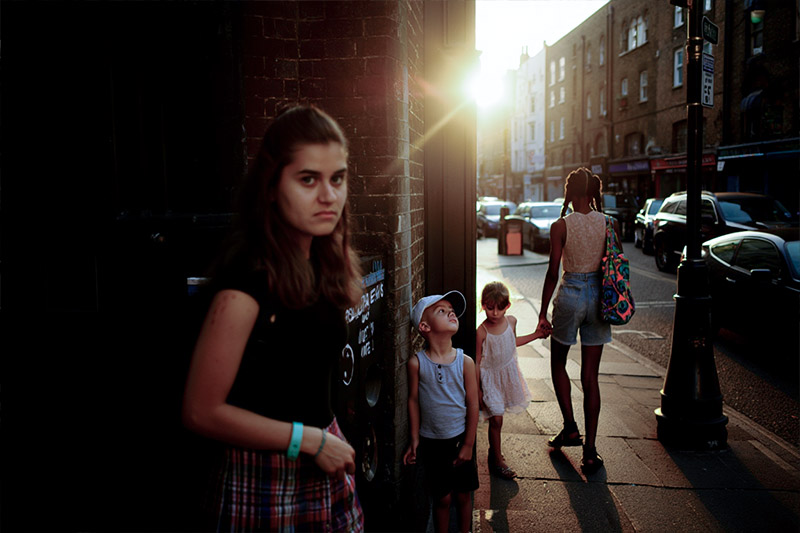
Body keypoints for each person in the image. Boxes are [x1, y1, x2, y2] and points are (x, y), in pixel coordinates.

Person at [182, 105, 365, 531]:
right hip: (262, 478)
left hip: (322, 462)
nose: (329, 195)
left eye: (337, 178)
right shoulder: (247, 281)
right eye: (308, 179)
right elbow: (200, 410)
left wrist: (327, 435)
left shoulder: (322, 265)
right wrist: (310, 440)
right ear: (270, 186)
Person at [537, 167, 621, 475]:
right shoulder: (609, 223)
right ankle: (590, 452)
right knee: (590, 377)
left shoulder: (561, 225)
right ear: (593, 193)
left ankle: (571, 428)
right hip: (599, 298)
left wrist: (543, 311)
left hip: (571, 295)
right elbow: (616, 262)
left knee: (558, 363)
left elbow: (552, 272)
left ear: (571, 193)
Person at [403, 291, 479, 533]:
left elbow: (474, 404)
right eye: (442, 311)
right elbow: (413, 400)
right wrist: (414, 438)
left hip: (459, 439)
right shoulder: (417, 363)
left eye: (452, 310)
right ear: (424, 326)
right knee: (442, 498)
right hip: (432, 442)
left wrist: (468, 444)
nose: (451, 312)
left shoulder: (465, 362)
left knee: (463, 496)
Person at [476, 281, 547, 479]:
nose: (495, 313)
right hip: (489, 378)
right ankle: (498, 460)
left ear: (507, 306)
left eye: (500, 308)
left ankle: (494, 452)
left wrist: (537, 334)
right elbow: (476, 361)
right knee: (496, 418)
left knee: (498, 421)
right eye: (490, 308)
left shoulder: (512, 321)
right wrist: (478, 389)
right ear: (483, 305)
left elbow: (511, 342)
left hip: (507, 376)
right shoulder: (481, 331)